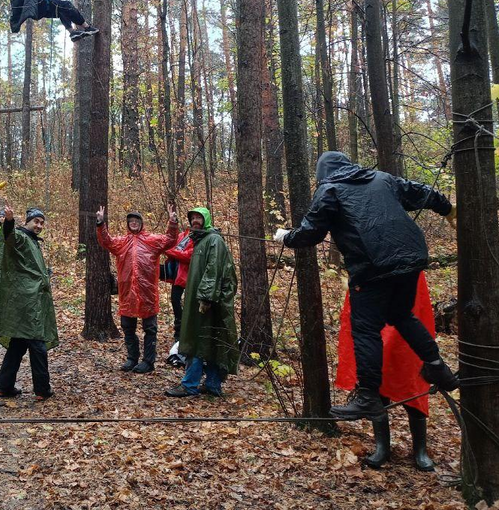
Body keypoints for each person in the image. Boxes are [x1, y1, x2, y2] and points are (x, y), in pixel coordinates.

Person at [274, 151, 459, 421]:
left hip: (373, 266)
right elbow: (422, 192)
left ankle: (368, 397)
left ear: (322, 173)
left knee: (365, 330)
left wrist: (286, 237)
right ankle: (436, 366)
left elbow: (311, 233)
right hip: (412, 258)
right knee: (401, 315)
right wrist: (448, 208)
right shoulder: (382, 179)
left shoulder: (329, 189)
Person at [336, 271, 437, 470]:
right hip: (372, 306)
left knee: (411, 379)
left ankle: (420, 449)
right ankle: (382, 447)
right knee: (376, 376)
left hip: (407, 301)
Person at [97, 203, 179, 373]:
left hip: (147, 292)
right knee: (128, 326)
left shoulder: (151, 240)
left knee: (150, 327)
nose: (133, 223)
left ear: (142, 223)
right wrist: (100, 224)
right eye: (131, 221)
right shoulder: (121, 242)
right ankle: (132, 358)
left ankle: (148, 362)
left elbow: (170, 240)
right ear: (128, 224)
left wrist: (172, 223)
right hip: (127, 293)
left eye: (136, 221)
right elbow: (107, 241)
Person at [166, 207, 239, 398]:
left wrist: (206, 297)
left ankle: (190, 385)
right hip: (202, 300)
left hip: (207, 302)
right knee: (209, 341)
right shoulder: (199, 241)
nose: (195, 221)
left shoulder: (213, 240)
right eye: (193, 218)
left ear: (206, 219)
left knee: (197, 341)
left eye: (199, 217)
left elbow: (214, 270)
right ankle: (212, 385)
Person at [0, 206, 58, 400]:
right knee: (37, 343)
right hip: (28, 303)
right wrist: (9, 222)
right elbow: (10, 237)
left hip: (29, 301)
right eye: (36, 221)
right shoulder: (21, 237)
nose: (39, 225)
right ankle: (42, 390)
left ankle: (3, 387)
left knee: (18, 344)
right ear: (27, 222)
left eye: (42, 223)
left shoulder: (33, 241)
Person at [163, 220, 197, 343]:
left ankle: (187, 332)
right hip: (178, 274)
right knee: (175, 301)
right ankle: (179, 330)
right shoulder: (183, 235)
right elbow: (170, 244)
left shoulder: (200, 238)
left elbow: (188, 256)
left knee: (190, 304)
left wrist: (171, 252)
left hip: (191, 275)